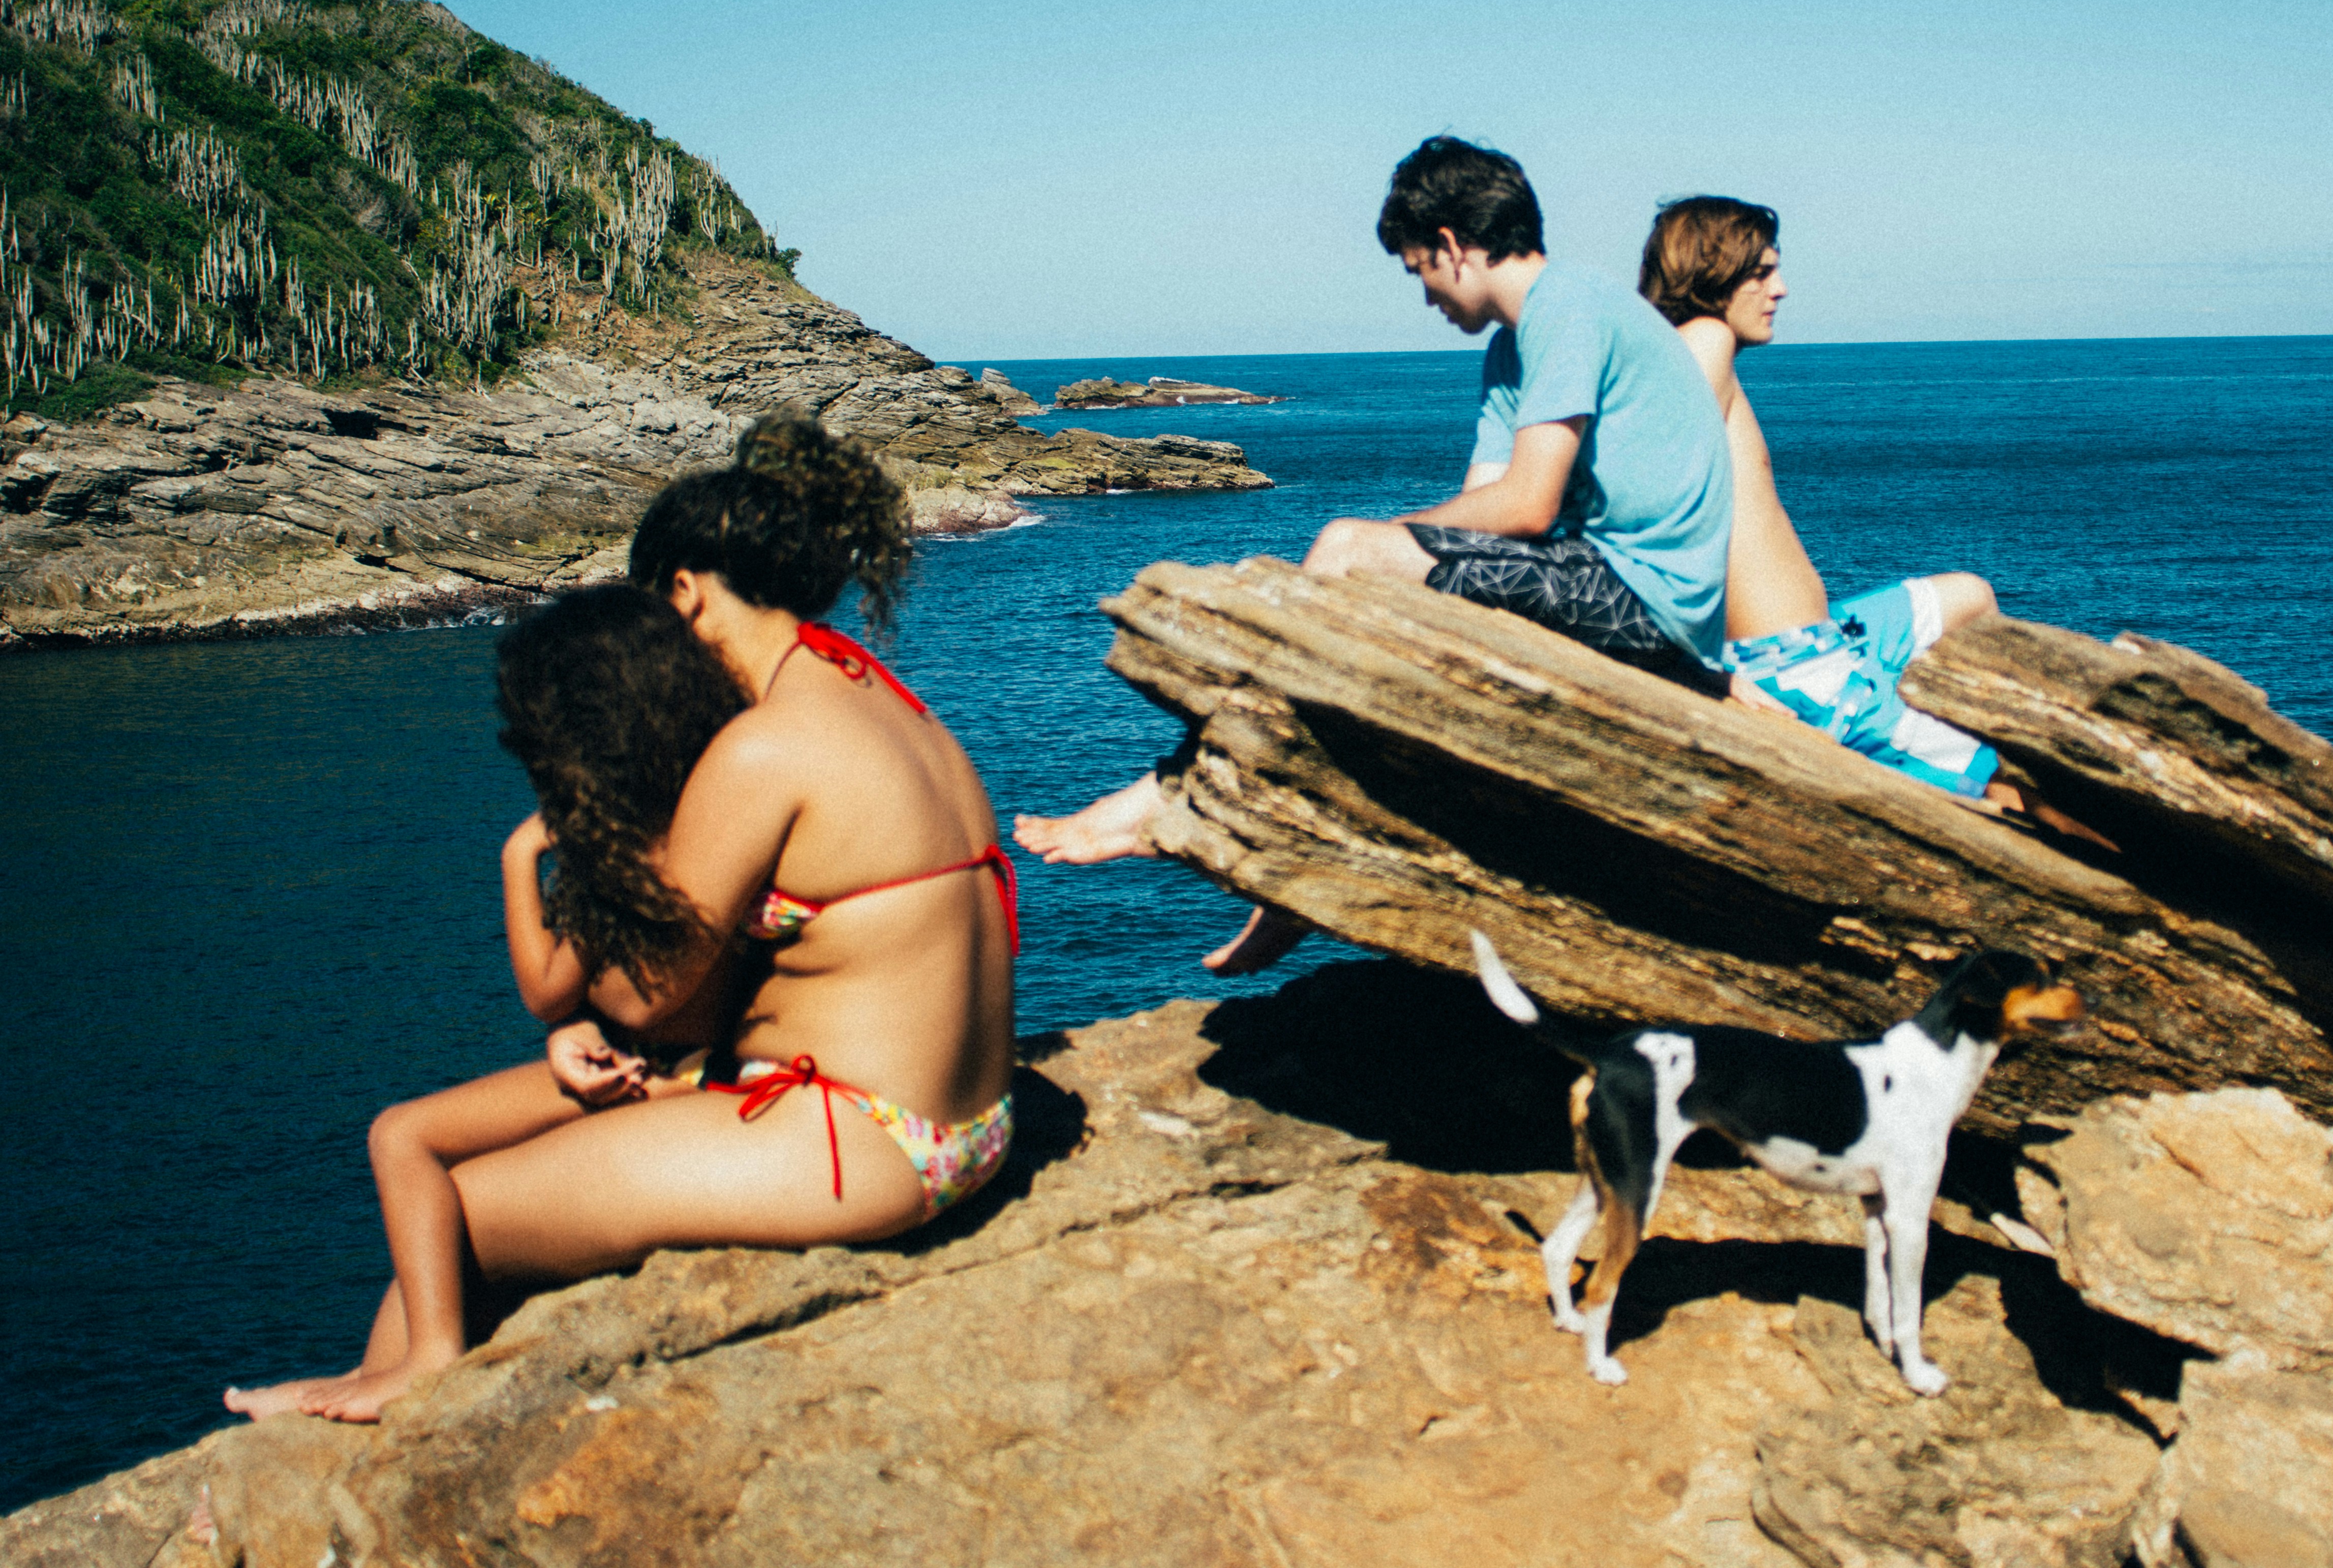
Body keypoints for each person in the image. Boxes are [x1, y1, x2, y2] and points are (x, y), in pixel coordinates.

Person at [227, 417, 1019, 1421]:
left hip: (862, 1145)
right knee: (465, 1190)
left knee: (456, 1221)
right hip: (967, 1125)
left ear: (685, 593)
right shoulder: (889, 703)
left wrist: (586, 913)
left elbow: (647, 989)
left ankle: (387, 1417)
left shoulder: (767, 749)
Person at [1018, 135, 1734, 973]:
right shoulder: (1514, 344)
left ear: (1452, 246)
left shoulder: (1567, 307)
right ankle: (1271, 858)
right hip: (1603, 581)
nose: (1425, 294)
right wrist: (1387, 561)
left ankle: (1182, 800)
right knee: (1357, 607)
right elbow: (1481, 506)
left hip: (1646, 601)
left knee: (1349, 548)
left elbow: (1528, 502)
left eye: (1418, 268)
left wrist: (1374, 548)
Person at [1643, 196, 2104, 840]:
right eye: (1763, 273)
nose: (1781, 289)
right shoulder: (1703, 342)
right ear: (1714, 273)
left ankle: (1938, 746)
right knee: (2024, 785)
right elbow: (1650, 498)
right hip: (1799, 672)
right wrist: (1701, 675)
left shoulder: (1689, 352)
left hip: (1829, 637)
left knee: (1969, 597)